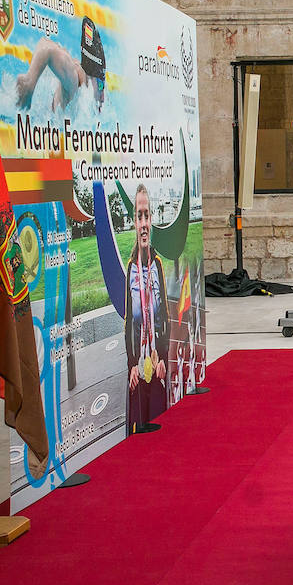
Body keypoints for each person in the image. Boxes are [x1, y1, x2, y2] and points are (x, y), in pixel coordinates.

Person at [124, 184, 170, 435]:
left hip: (157, 360)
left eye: (147, 215)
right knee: (138, 427)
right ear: (134, 222)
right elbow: (129, 320)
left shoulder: (158, 265)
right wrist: (131, 364)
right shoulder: (130, 267)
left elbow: (164, 315)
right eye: (139, 216)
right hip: (138, 364)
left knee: (161, 425)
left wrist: (163, 355)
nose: (143, 223)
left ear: (152, 219)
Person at [14, 17, 107, 112]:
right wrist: (30, 84)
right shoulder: (74, 82)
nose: (103, 98)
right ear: (89, 78)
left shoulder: (86, 96)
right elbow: (46, 46)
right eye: (100, 86)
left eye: (103, 86)